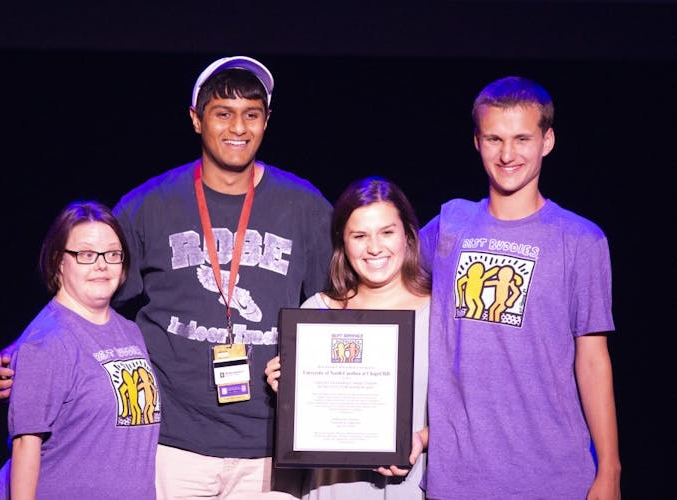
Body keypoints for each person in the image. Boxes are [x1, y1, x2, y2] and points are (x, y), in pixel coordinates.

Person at [0, 56, 333, 499]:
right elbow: (87, 289)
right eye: (223, 113)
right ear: (196, 119)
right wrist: (29, 348)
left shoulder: (304, 206)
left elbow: (340, 305)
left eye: (251, 114)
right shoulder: (149, 205)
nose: (238, 128)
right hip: (173, 445)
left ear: (267, 120)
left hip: (269, 444)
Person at [419, 76, 621, 498]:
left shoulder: (580, 240)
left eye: (522, 139)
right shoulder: (449, 225)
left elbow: (592, 359)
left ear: (547, 141)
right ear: (477, 142)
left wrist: (610, 469)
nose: (507, 154)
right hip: (458, 478)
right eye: (494, 139)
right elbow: (385, 292)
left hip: (553, 476)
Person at [265, 176, 431, 499]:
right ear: (342, 241)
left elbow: (467, 416)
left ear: (407, 235)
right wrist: (289, 390)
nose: (374, 247)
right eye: (359, 236)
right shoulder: (316, 312)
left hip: (410, 489)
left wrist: (421, 438)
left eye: (387, 232)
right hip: (332, 489)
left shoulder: (438, 315)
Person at [0, 200, 160, 499]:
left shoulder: (129, 332)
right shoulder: (46, 342)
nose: (102, 264)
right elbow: (26, 445)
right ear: (58, 262)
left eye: (112, 254)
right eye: (86, 254)